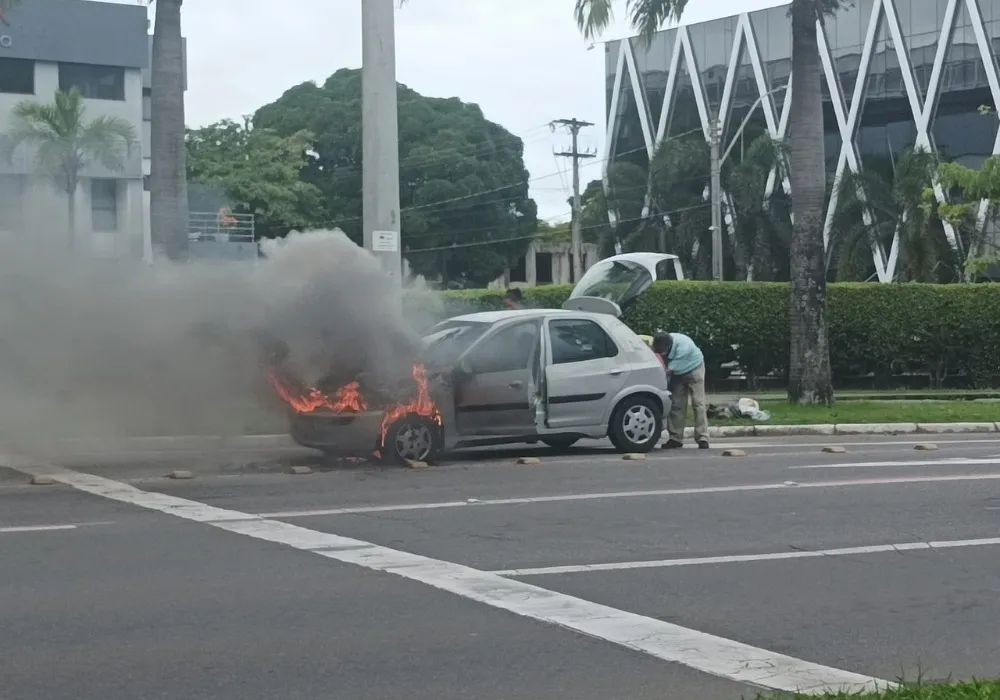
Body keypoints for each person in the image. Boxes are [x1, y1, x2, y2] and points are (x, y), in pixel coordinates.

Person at [652, 331, 709, 449]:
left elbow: (667, 372)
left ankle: (702, 438)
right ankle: (675, 438)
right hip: (678, 373)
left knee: (698, 404)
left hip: (694, 369)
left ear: (667, 346)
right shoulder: (664, 341)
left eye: (661, 350)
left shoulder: (683, 348)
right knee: (676, 405)